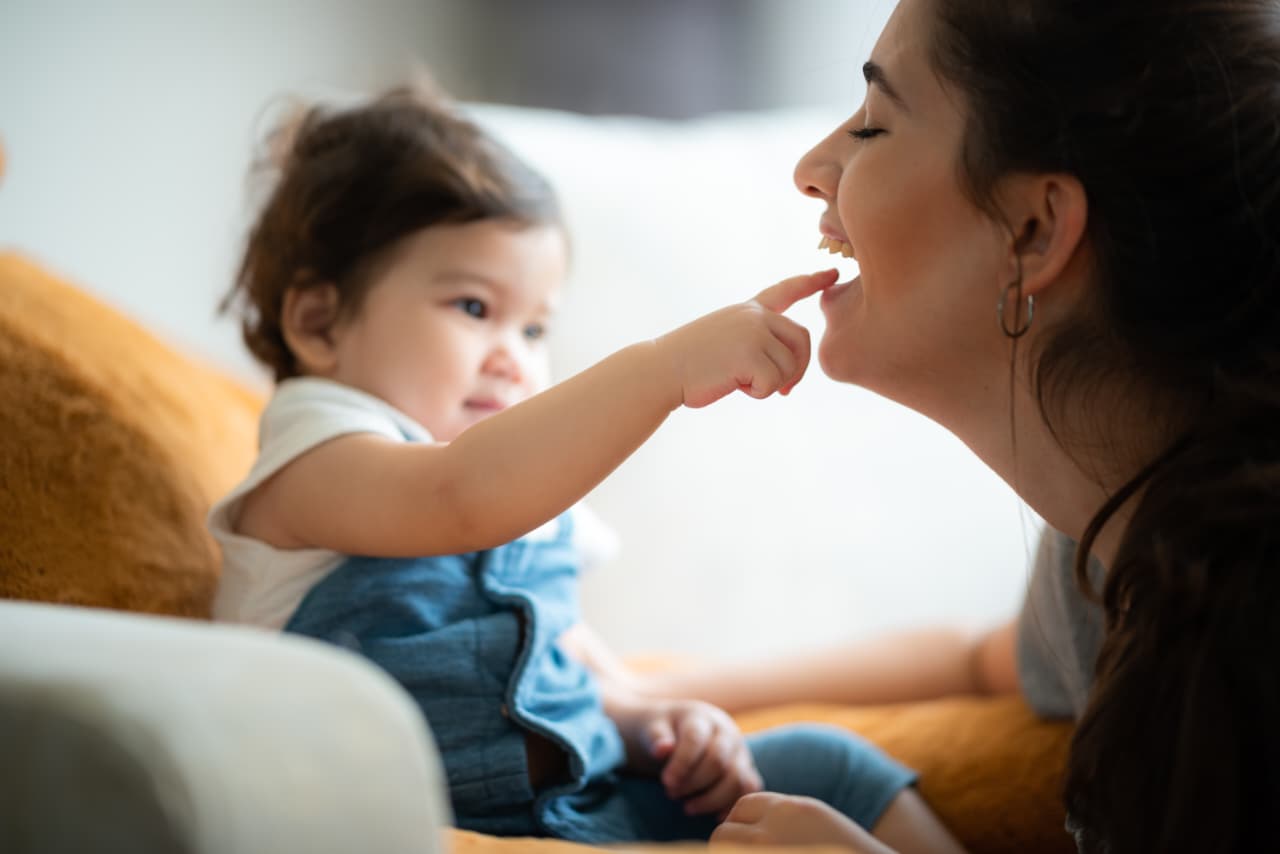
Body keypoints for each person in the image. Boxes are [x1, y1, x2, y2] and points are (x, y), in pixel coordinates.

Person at [208, 86, 964, 850]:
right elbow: (458, 496)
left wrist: (661, 728)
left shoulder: (522, 505)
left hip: (588, 809)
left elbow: (584, 683)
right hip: (438, 828)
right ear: (318, 323)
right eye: (474, 308)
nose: (514, 358)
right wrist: (665, 368)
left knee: (826, 766)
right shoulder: (316, 451)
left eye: (536, 328)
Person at [683, 0, 1280, 851]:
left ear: (1033, 231)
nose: (810, 169)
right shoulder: (1103, 556)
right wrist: (660, 694)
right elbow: (984, 661)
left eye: (874, 125)